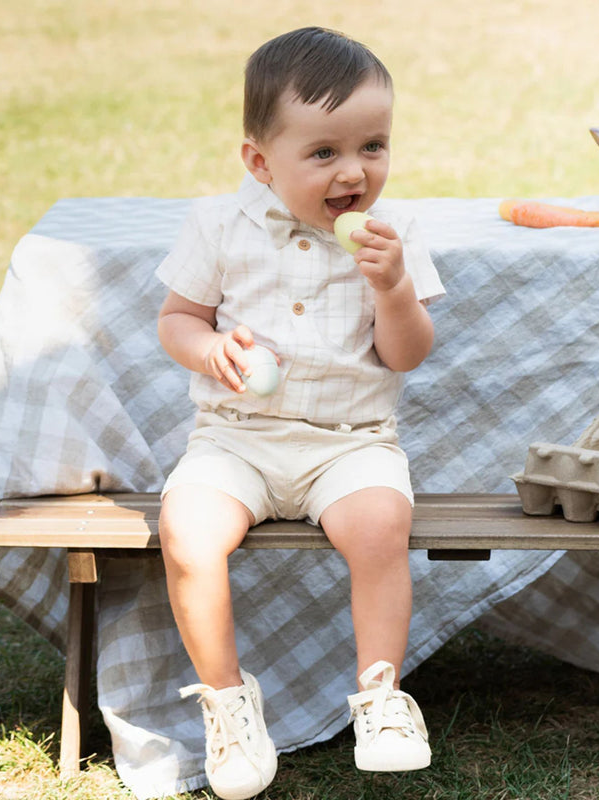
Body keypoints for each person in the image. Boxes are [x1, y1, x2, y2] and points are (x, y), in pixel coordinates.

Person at [155, 26, 445, 800]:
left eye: (373, 146)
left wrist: (394, 289)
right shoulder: (219, 225)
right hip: (237, 439)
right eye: (324, 153)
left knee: (380, 525)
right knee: (186, 530)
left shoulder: (394, 235)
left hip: (350, 443)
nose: (354, 171)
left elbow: (406, 355)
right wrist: (209, 349)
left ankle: (380, 697)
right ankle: (227, 702)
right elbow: (176, 320)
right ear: (260, 162)